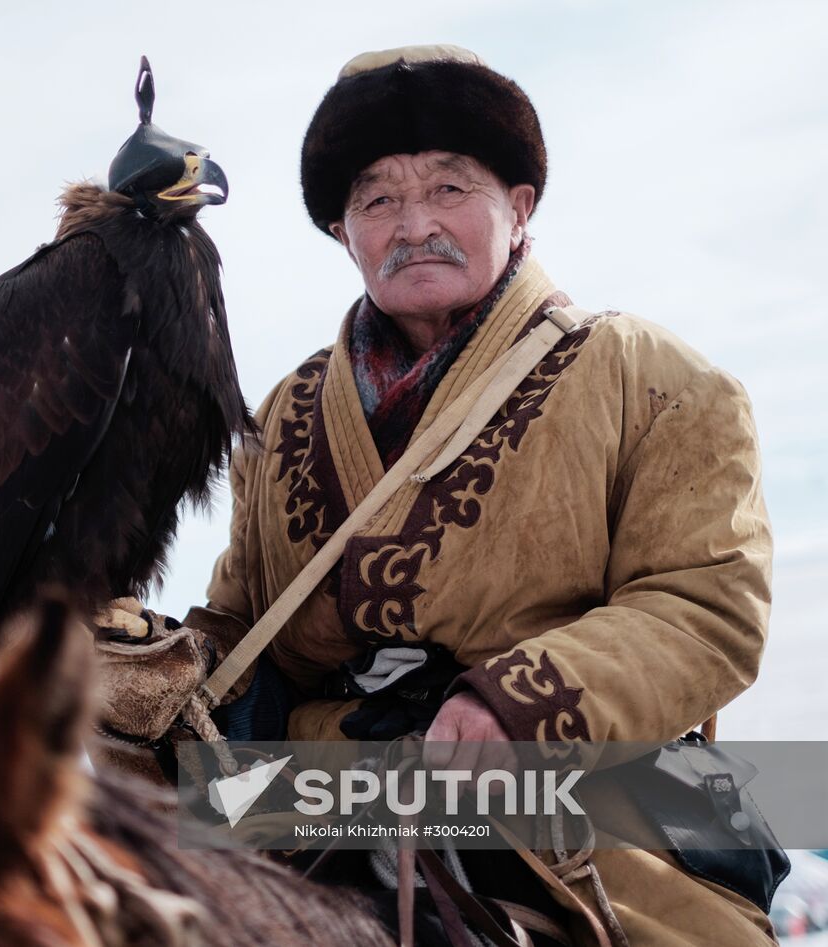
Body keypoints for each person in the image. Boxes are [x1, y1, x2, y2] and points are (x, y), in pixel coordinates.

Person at [176, 45, 776, 945]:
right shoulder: (282, 415)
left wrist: (518, 700)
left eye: (451, 189)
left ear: (520, 209)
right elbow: (241, 625)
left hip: (564, 789)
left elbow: (704, 607)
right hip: (309, 790)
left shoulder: (655, 379)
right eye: (377, 200)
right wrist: (144, 668)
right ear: (345, 233)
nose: (414, 223)